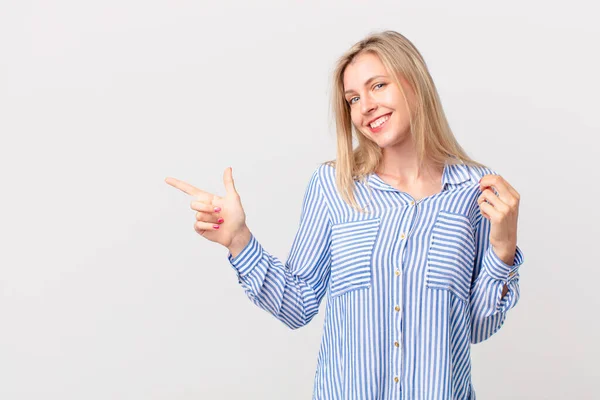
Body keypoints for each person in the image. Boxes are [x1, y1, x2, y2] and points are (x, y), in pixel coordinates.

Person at [165, 30, 524, 400]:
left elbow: (477, 327)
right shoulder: (333, 186)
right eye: (353, 98)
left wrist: (502, 248)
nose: (365, 106)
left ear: (414, 83)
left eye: (378, 86)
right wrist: (239, 240)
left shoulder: (475, 191)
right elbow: (297, 304)